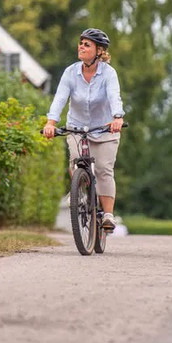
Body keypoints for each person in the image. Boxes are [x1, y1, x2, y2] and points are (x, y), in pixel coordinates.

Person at [43, 28, 125, 231]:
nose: (81, 46)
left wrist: (117, 117)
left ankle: (107, 214)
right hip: (77, 127)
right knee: (76, 164)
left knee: (104, 170)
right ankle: (80, 192)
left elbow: (114, 96)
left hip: (105, 129)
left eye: (87, 44)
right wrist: (50, 123)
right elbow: (60, 99)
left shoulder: (108, 73)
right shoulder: (71, 72)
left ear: (99, 51)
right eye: (80, 43)